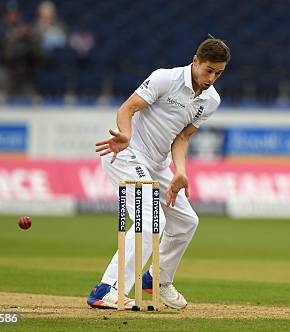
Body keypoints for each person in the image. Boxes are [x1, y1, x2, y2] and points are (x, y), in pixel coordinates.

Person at [87, 36, 230, 310]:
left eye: (219, 73)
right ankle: (107, 289)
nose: (212, 78)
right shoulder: (166, 79)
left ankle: (157, 280)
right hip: (127, 155)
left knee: (187, 221)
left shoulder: (211, 100)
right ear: (195, 61)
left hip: (159, 164)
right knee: (151, 218)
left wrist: (181, 171)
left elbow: (182, 139)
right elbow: (127, 108)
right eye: (208, 70)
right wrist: (125, 136)